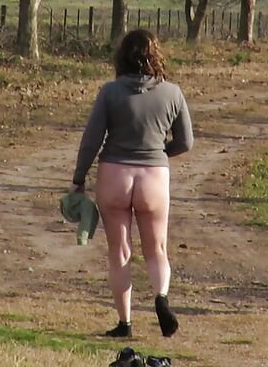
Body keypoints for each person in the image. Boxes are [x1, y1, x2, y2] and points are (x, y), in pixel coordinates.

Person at [72, 28, 194, 339]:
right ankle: (161, 297)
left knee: (120, 251)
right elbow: (186, 141)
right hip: (153, 175)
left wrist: (79, 178)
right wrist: (160, 153)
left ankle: (125, 323)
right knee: (157, 249)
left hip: (114, 173)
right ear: (156, 56)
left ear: (122, 56)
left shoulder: (110, 92)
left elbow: (91, 141)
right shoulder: (173, 93)